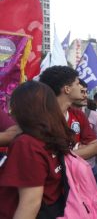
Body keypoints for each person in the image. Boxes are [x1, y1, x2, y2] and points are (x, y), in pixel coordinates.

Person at [0, 81, 75, 218]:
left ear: (25, 109)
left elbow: (29, 204)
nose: (10, 112)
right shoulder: (49, 137)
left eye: (14, 105)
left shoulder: (27, 144)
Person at [39, 65, 97, 160]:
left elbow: (95, 147)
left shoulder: (78, 115)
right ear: (67, 89)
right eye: (77, 83)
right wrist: (80, 151)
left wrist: (64, 157)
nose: (81, 87)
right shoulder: (39, 117)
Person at [72, 79, 97, 181]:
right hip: (69, 168)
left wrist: (91, 145)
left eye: (86, 92)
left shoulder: (93, 114)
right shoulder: (62, 115)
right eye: (81, 92)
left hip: (90, 166)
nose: (85, 96)